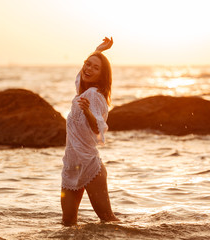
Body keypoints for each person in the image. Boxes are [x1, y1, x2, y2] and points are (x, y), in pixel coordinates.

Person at [61, 37, 119, 226]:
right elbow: (80, 78)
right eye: (87, 64)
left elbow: (98, 127)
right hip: (71, 166)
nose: (88, 69)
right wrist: (98, 51)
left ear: (102, 76)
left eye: (95, 68)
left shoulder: (94, 96)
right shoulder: (82, 93)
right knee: (68, 224)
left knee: (108, 221)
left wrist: (86, 112)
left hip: (88, 165)